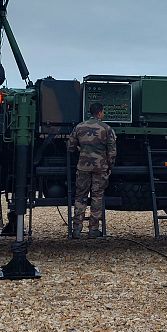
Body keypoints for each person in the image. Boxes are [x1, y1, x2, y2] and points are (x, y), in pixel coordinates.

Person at [67, 102, 117, 238]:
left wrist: (80, 150)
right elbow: (112, 152)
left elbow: (70, 146)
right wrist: (110, 166)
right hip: (100, 168)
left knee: (80, 197)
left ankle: (76, 229)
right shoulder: (106, 128)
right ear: (100, 112)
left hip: (83, 166)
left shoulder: (79, 127)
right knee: (97, 197)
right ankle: (93, 229)